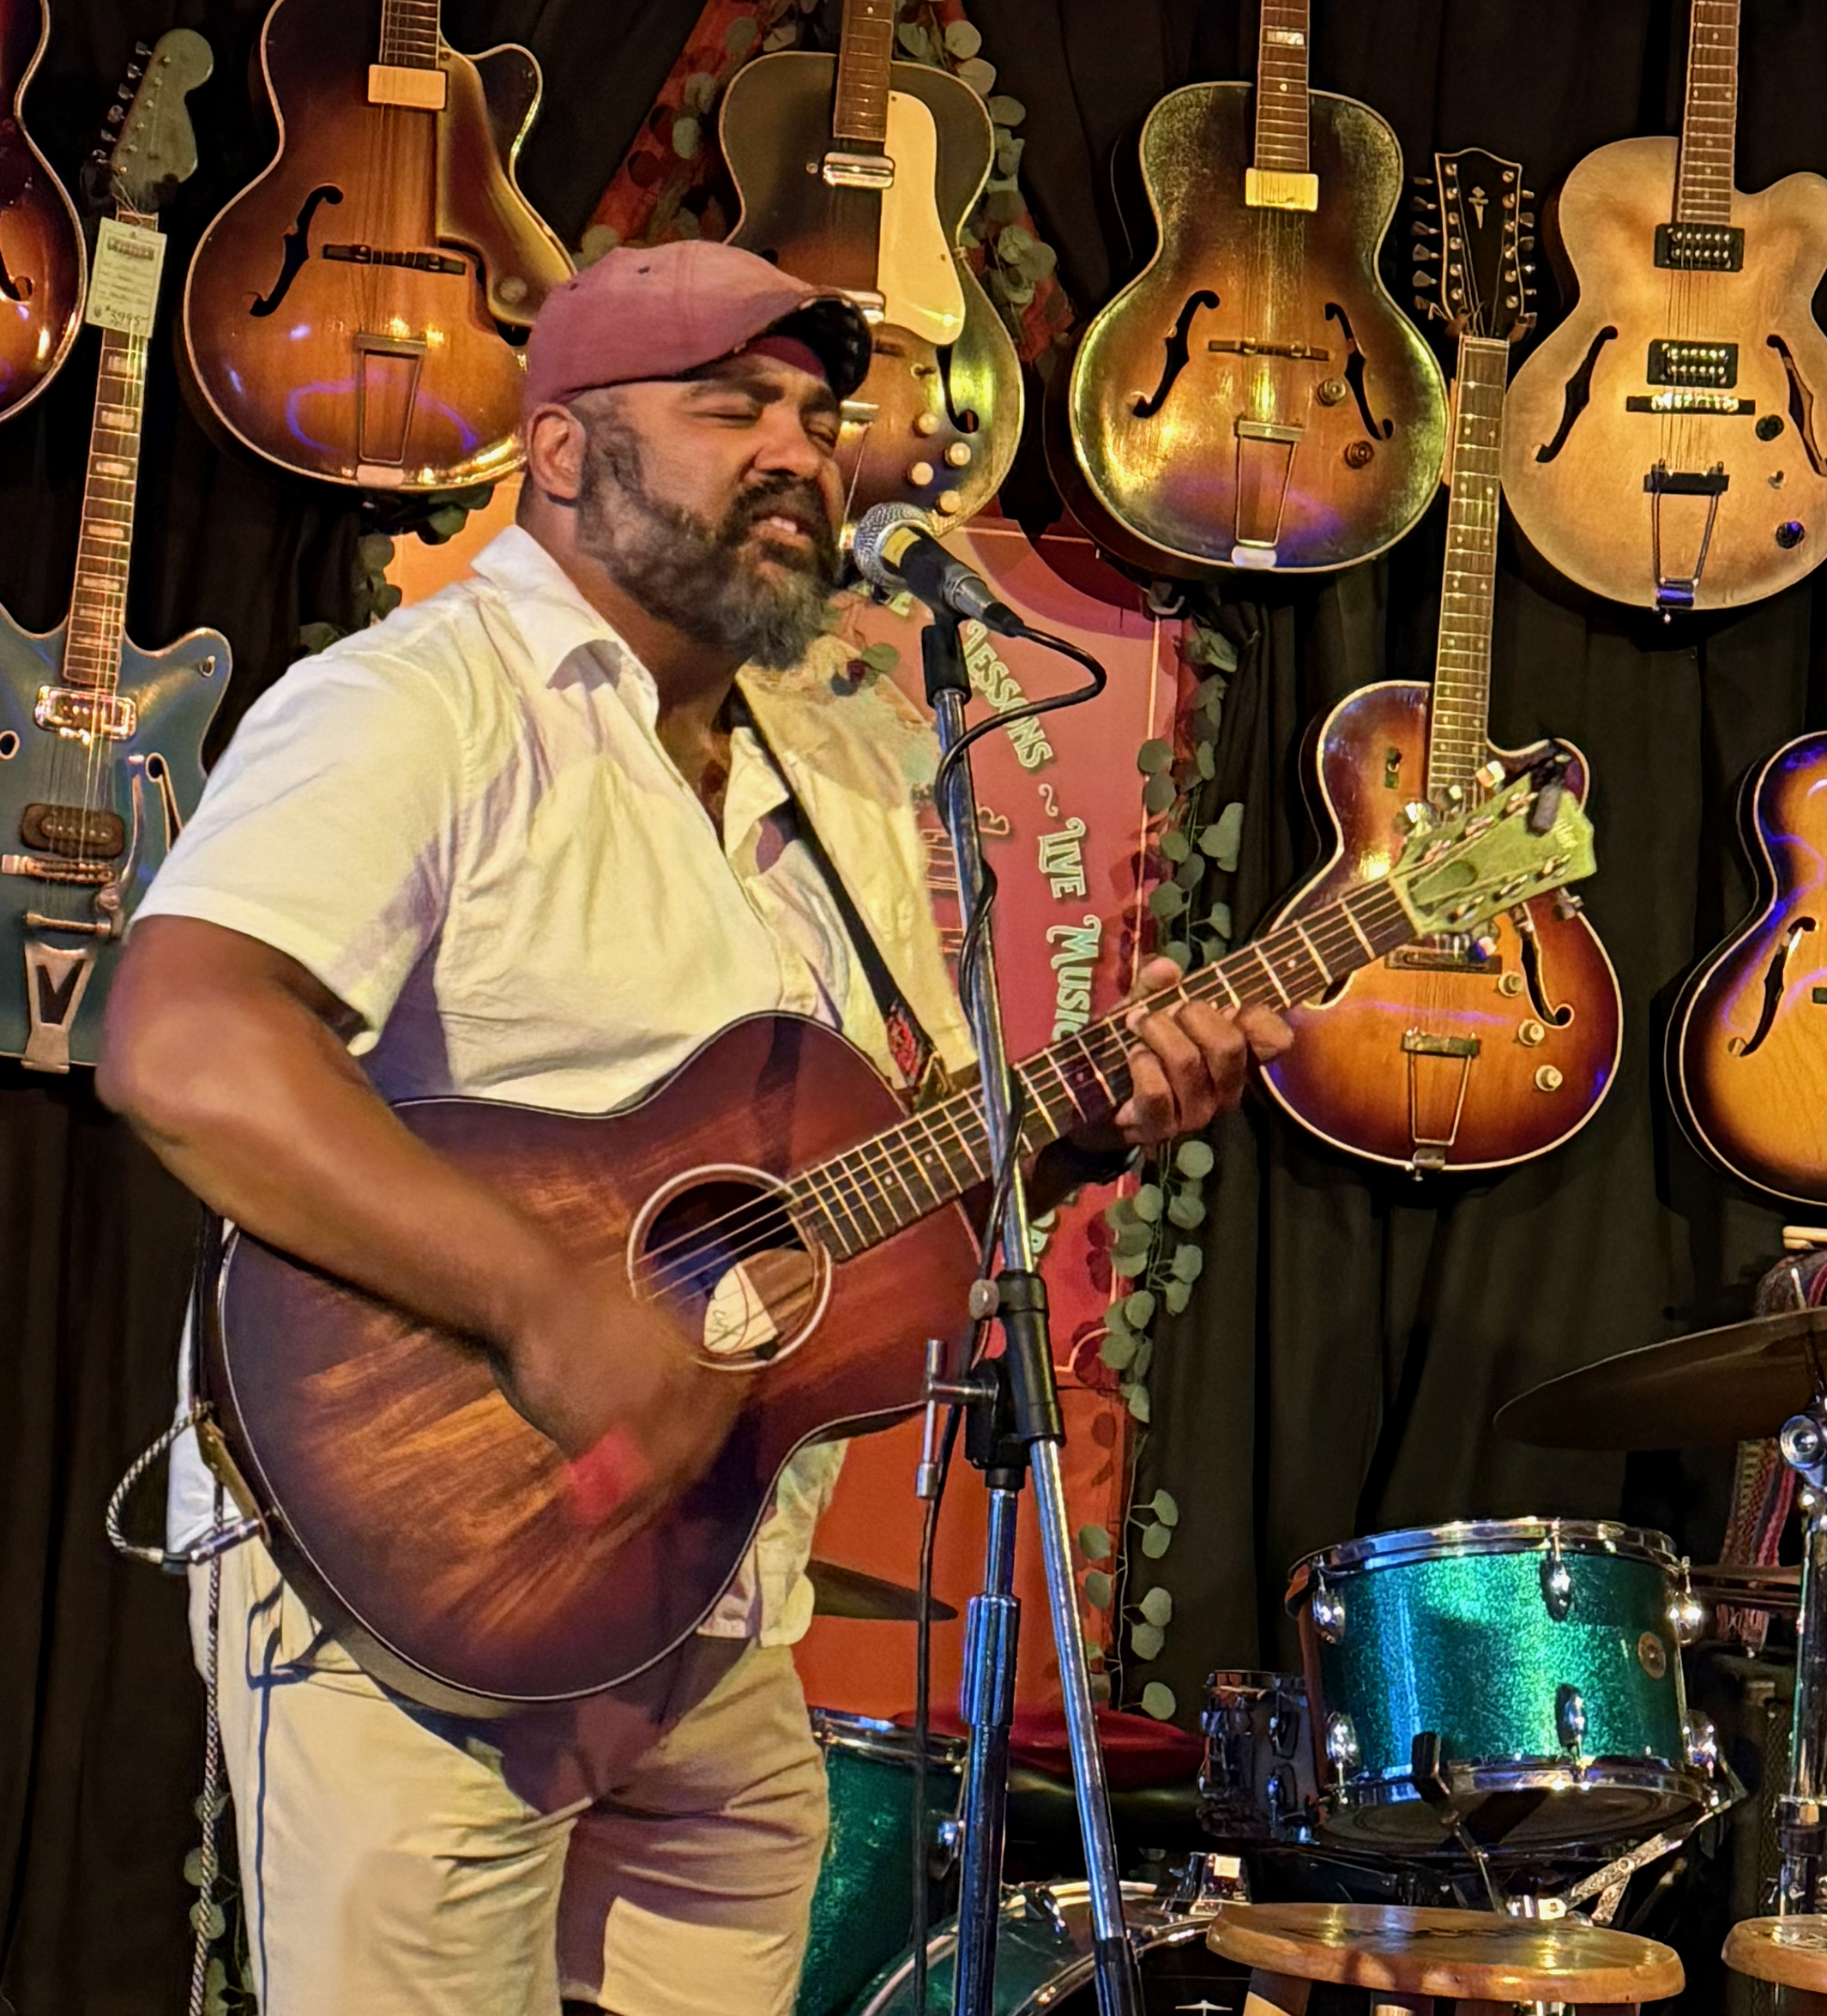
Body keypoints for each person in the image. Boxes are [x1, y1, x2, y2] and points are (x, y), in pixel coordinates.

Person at [98, 240, 1290, 2016]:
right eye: (730, 404)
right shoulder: (420, 703)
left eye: (819, 413)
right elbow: (183, 1041)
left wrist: (1079, 1128)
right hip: (424, 1596)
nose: (804, 450)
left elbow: (845, 1198)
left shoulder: (844, 776)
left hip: (712, 1601)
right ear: (564, 449)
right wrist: (541, 1302)